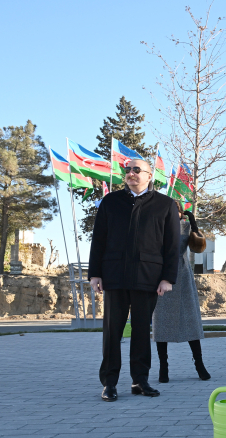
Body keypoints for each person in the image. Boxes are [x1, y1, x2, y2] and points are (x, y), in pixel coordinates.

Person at [89, 159, 180, 402]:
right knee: (112, 332)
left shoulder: (165, 205)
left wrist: (167, 278)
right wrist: (95, 273)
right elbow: (98, 240)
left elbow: (172, 246)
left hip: (147, 277)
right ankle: (109, 383)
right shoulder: (111, 202)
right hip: (114, 276)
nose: (130, 173)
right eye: (127, 170)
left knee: (141, 331)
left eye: (136, 170)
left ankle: (140, 381)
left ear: (150, 175)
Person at [153, 206, 210, 382]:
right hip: (160, 276)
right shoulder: (155, 226)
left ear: (180, 212)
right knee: (161, 323)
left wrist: (193, 224)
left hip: (182, 276)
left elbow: (198, 249)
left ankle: (199, 363)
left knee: (191, 320)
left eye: (175, 210)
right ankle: (164, 367)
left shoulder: (185, 227)